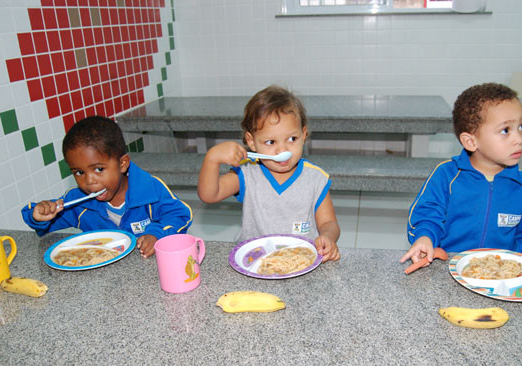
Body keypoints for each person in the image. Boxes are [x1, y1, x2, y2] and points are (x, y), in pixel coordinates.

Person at [400, 82, 522, 265]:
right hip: (446, 268)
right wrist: (425, 238)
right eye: (505, 130)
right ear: (470, 141)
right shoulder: (446, 176)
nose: (519, 139)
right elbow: (427, 215)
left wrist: (512, 262)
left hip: (497, 275)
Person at [197, 85, 340, 262]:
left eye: (292, 139)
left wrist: (328, 237)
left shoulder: (315, 178)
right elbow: (209, 195)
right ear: (252, 142)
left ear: (304, 135)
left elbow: (329, 223)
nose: (282, 150)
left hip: (301, 261)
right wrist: (212, 159)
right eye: (271, 142)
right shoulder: (248, 174)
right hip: (254, 262)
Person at [21, 116, 193, 258]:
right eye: (79, 172)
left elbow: (181, 215)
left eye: (99, 169)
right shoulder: (77, 202)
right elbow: (45, 224)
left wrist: (156, 234)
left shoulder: (150, 190)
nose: (89, 181)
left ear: (123, 164)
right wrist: (38, 216)